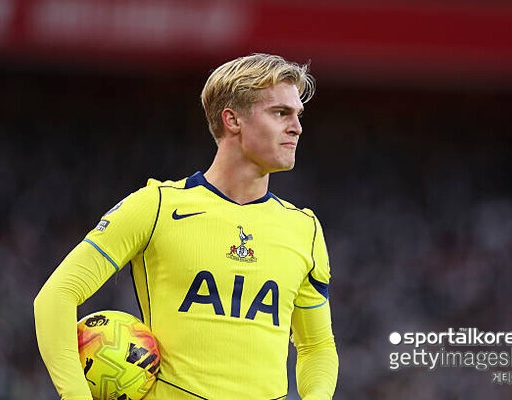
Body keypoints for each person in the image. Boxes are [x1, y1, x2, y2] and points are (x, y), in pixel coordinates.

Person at [34, 53, 338, 400]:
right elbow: (56, 296)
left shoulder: (304, 229)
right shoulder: (155, 207)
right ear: (232, 120)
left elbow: (317, 346)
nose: (297, 127)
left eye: (298, 115)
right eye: (281, 113)